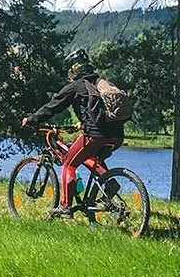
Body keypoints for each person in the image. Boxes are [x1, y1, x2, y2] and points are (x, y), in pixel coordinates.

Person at [21, 48, 125, 217]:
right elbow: (98, 110)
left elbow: (52, 106)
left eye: (68, 70)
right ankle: (110, 182)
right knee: (90, 157)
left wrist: (32, 119)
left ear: (73, 69)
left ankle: (65, 207)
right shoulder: (100, 83)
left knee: (69, 163)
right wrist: (83, 123)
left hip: (96, 135)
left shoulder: (75, 87)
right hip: (117, 135)